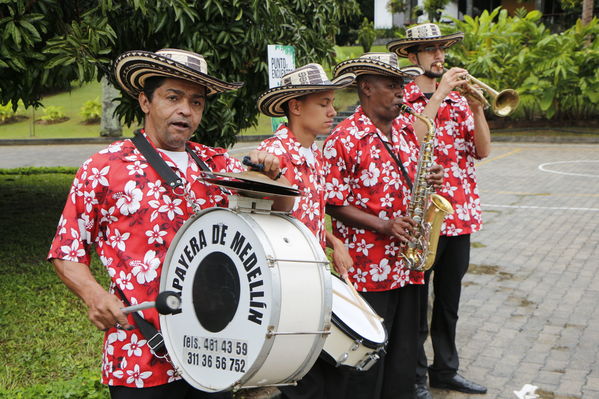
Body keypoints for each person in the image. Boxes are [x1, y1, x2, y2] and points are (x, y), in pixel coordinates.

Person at [47, 48, 292, 399]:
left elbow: (282, 204)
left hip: (214, 349)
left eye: (196, 102)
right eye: (173, 98)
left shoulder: (216, 164)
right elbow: (66, 249)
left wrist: (273, 172)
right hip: (141, 354)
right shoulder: (104, 167)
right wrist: (93, 294)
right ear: (146, 101)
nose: (186, 111)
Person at [322, 52, 444, 399]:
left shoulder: (407, 131)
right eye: (392, 86)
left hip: (409, 265)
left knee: (405, 356)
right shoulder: (343, 139)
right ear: (366, 88)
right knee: (368, 362)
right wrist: (384, 225)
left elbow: (415, 179)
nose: (401, 92)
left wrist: (432, 176)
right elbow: (332, 201)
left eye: (401, 84)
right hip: (368, 270)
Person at [388, 23, 491, 398]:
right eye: (430, 49)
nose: (439, 55)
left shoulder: (462, 101)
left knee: (449, 303)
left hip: (459, 215)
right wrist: (440, 91)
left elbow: (483, 151)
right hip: (422, 218)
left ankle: (445, 369)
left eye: (441, 49)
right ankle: (415, 376)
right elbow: (410, 140)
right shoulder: (404, 100)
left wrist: (478, 110)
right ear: (412, 56)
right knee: (417, 305)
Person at [255, 63, 356, 399]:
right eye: (323, 103)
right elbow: (259, 221)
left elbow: (308, 212)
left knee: (334, 371)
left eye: (332, 102)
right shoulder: (272, 157)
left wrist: (332, 239)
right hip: (288, 285)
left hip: (314, 276)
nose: (333, 111)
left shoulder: (315, 152)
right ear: (296, 107)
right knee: (303, 382)